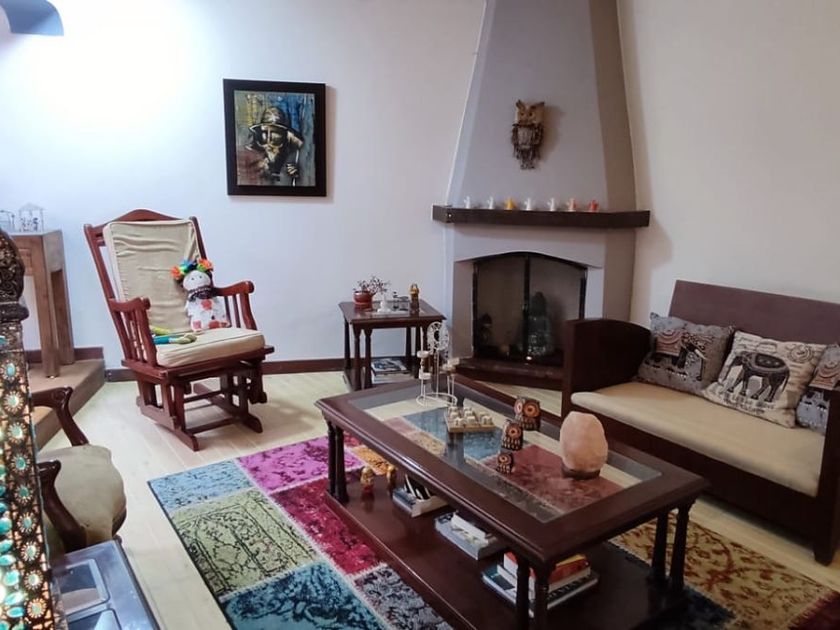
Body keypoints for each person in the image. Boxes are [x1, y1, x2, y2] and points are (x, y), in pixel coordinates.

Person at [237, 106, 304, 186]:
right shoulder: (251, 150)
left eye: (275, 134)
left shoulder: (290, 152)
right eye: (265, 133)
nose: (268, 144)